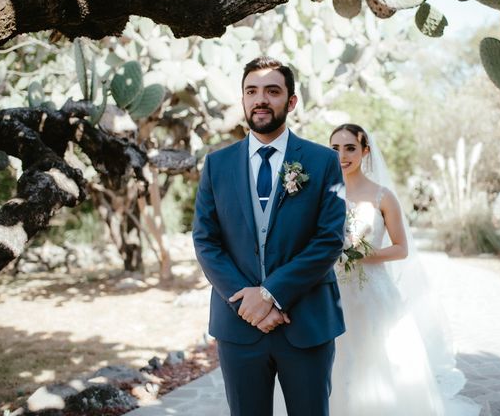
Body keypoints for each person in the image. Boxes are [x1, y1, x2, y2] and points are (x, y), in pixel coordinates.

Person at [192, 56, 346, 416]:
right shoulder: (217, 164)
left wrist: (272, 295)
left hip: (306, 322)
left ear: (291, 102)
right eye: (252, 91)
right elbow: (206, 240)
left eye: (272, 91)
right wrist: (245, 301)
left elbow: (328, 239)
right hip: (238, 325)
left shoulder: (323, 161)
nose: (261, 99)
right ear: (243, 100)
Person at [328, 124, 479, 416]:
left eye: (350, 148)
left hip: (371, 292)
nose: (342, 155)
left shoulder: (382, 196)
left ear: (365, 151)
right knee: (334, 360)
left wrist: (360, 255)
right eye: (335, 148)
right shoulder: (324, 192)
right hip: (329, 290)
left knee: (376, 359)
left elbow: (400, 248)